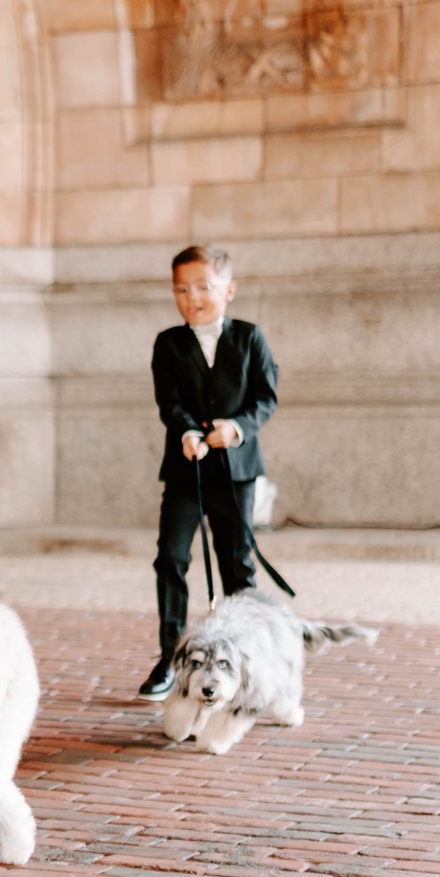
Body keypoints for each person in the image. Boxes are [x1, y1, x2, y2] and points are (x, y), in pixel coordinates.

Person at [139, 245, 279, 701]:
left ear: (230, 290)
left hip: (236, 472)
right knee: (171, 558)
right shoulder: (168, 343)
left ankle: (248, 659)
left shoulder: (250, 338)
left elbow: (265, 398)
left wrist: (237, 429)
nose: (191, 296)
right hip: (186, 470)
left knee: (238, 565)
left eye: (203, 286)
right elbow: (169, 402)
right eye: (181, 288)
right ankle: (171, 657)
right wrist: (185, 432)